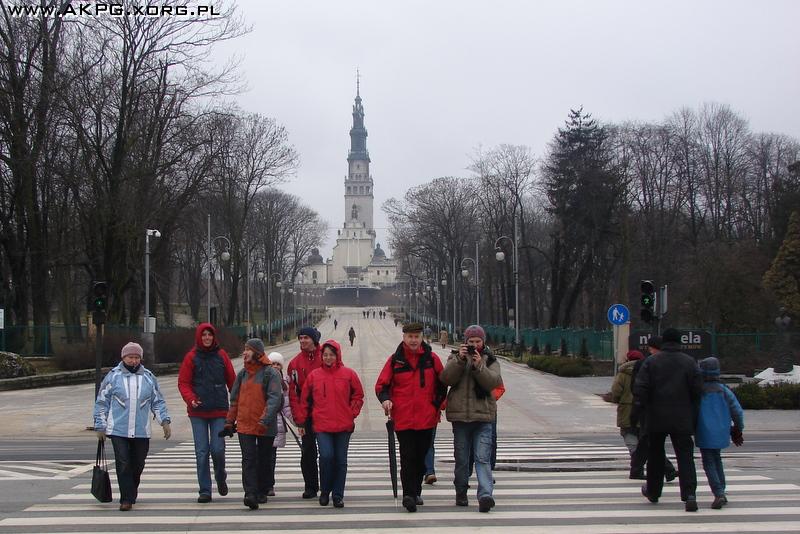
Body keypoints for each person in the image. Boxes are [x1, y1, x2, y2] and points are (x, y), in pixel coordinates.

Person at [375, 322, 445, 512]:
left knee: (421, 457)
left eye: (416, 337)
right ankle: (409, 495)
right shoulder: (395, 360)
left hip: (426, 417)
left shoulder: (432, 358)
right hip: (403, 418)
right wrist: (386, 400)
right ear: (404, 338)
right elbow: (382, 385)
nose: (413, 340)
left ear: (422, 338)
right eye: (410, 337)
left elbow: (443, 383)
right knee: (407, 456)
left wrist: (437, 404)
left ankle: (416, 490)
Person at [93, 342, 171, 512]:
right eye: (130, 357)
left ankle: (131, 490)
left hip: (141, 431)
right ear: (123, 358)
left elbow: (157, 401)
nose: (134, 361)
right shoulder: (113, 377)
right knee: (123, 463)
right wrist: (100, 426)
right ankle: (126, 498)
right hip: (118, 430)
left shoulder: (148, 377)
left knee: (138, 464)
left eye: (136, 357)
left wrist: (164, 422)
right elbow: (101, 402)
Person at [634, 327, 703, 512]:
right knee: (685, 457)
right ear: (680, 341)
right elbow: (698, 391)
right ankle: (689, 494)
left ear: (663, 342)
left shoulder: (651, 362)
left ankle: (654, 492)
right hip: (682, 417)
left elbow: (641, 389)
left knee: (655, 456)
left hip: (655, 417)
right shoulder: (690, 363)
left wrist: (639, 412)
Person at [440, 324, 502, 513]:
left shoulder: (490, 360)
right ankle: (461, 491)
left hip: (483, 417)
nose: (474, 345)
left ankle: (485, 495)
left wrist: (478, 366)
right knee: (462, 459)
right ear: (465, 342)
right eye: (471, 341)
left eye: (478, 341)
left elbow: (493, 382)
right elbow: (446, 379)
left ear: (483, 342)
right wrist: (460, 360)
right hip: (461, 418)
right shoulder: (454, 357)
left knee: (482, 458)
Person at [296, 339, 364, 508]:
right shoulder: (314, 376)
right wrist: (302, 422)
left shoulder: (349, 374)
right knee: (326, 457)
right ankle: (325, 491)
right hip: (322, 425)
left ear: (337, 355)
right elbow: (304, 400)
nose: (328, 358)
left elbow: (358, 395)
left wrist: (352, 412)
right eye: (325, 355)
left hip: (344, 425)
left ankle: (338, 495)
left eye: (331, 355)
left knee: (341, 460)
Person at [178, 323, 236, 503]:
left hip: (219, 409)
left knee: (217, 449)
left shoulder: (222, 355)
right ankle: (205, 490)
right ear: (199, 337)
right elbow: (183, 383)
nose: (207, 338)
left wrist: (235, 408)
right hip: (198, 412)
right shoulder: (191, 357)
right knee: (202, 451)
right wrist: (191, 399)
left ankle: (220, 476)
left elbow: (232, 381)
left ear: (214, 337)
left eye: (209, 335)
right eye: (203, 335)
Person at [224, 338, 282, 509]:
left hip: (265, 426)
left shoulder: (270, 373)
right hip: (245, 425)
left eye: (247, 350)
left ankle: (262, 489)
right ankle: (250, 493)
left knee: (264, 459)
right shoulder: (242, 374)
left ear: (257, 353)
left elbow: (274, 399)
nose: (244, 353)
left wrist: (264, 419)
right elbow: (234, 400)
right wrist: (229, 421)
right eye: (244, 349)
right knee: (248, 459)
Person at [696, 357, 745, 509]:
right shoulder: (724, 391)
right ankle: (721, 489)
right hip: (721, 430)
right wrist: (738, 428)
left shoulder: (698, 391)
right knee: (716, 458)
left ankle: (718, 492)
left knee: (708, 461)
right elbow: (737, 411)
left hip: (703, 430)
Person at [629, 337, 678, 481]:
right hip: (657, 408)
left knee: (648, 441)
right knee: (649, 441)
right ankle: (666, 470)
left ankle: (638, 469)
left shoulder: (644, 363)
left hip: (648, 408)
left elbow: (635, 388)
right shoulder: (652, 363)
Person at [287, 326, 323, 499]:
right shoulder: (294, 363)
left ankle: (327, 484)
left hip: (324, 412)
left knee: (326, 451)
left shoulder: (326, 356)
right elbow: (292, 393)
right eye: (300, 338)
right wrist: (299, 419)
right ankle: (311, 486)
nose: (302, 341)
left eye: (306, 338)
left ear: (314, 340)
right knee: (308, 451)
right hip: (306, 413)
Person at [265, 352, 294, 497]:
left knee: (271, 457)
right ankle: (261, 483)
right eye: (273, 364)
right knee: (261, 456)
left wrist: (297, 422)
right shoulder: (263, 379)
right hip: (262, 424)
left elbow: (286, 406)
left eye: (278, 364)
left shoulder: (284, 384)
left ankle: (269, 485)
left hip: (276, 426)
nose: (275, 367)